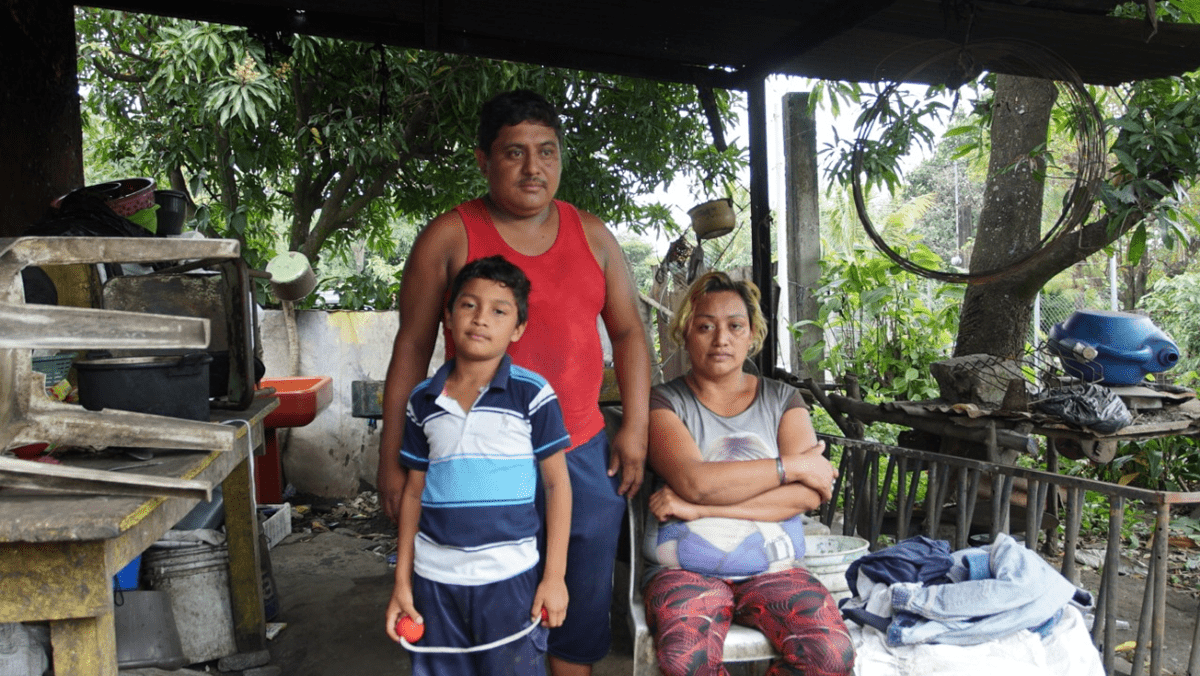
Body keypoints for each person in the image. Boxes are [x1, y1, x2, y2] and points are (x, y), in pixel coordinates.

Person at [378, 89, 651, 675]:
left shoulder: (594, 236)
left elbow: (630, 334)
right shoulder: (449, 237)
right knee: (481, 611)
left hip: (577, 450)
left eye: (547, 152)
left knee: (573, 610)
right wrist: (391, 461)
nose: (534, 169)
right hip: (474, 459)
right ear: (483, 160)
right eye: (515, 153)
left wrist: (636, 431)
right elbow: (411, 349)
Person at [642, 271, 855, 676]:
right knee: (686, 661)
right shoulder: (664, 403)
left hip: (776, 571)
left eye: (735, 326)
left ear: (752, 333)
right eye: (705, 326)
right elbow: (695, 482)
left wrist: (700, 509)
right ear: (685, 333)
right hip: (685, 572)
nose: (720, 339)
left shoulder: (781, 399)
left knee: (830, 656)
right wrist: (791, 467)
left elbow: (809, 496)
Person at [384, 256, 572, 675]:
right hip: (435, 582)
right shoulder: (422, 402)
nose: (481, 319)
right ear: (448, 317)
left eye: (499, 310)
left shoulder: (532, 395)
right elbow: (413, 492)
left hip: (510, 579)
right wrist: (403, 582)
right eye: (468, 305)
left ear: (518, 327)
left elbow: (558, 485)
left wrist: (554, 577)